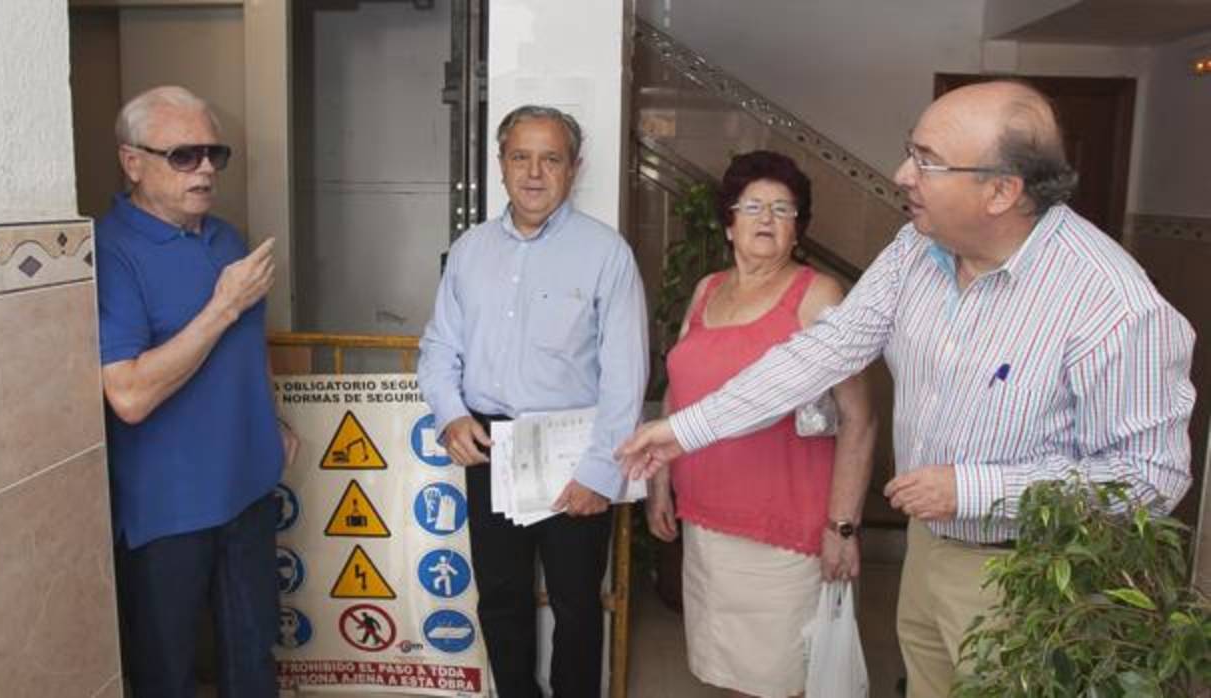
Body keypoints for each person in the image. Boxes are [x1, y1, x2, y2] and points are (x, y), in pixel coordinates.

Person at [618, 80, 1195, 698]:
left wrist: (973, 487)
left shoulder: (1113, 304)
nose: (900, 174)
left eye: (927, 161)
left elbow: (1150, 478)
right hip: (929, 547)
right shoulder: (917, 249)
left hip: (1029, 570)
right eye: (909, 151)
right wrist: (682, 431)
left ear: (1001, 191)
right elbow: (824, 350)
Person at [417, 105, 648, 698]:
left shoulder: (607, 253)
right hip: (490, 445)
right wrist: (450, 415)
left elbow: (626, 373)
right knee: (500, 596)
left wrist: (601, 471)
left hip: (576, 448)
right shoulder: (469, 251)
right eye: (520, 156)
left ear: (574, 169)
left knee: (576, 604)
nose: (534, 172)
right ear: (501, 165)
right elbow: (440, 345)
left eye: (551, 158)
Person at [644, 150, 875, 697]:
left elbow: (860, 419)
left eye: (782, 208)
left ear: (798, 229)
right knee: (726, 671)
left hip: (784, 531)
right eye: (752, 206)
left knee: (782, 677)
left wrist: (842, 526)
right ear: (729, 222)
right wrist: (659, 482)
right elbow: (679, 387)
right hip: (706, 523)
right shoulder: (705, 291)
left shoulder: (817, 295)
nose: (766, 218)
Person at [96, 85, 297, 698]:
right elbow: (128, 395)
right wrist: (224, 304)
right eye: (184, 155)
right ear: (134, 162)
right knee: (169, 675)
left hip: (247, 491)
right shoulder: (109, 251)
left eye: (214, 153)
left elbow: (248, 343)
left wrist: (273, 421)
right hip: (167, 511)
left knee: (252, 662)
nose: (206, 168)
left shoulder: (226, 239)